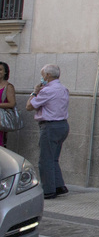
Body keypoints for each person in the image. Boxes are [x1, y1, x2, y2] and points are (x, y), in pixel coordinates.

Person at [25, 64, 70, 199]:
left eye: (43, 74)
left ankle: (48, 190)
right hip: (62, 125)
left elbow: (29, 106)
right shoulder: (63, 89)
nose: (42, 77)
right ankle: (59, 185)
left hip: (50, 126)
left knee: (45, 160)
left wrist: (34, 92)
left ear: (47, 75)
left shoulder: (47, 91)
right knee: (54, 158)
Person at [0, 62, 17, 149]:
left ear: (5, 72)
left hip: (1, 120)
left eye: (0, 69)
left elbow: (12, 103)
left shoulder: (8, 86)